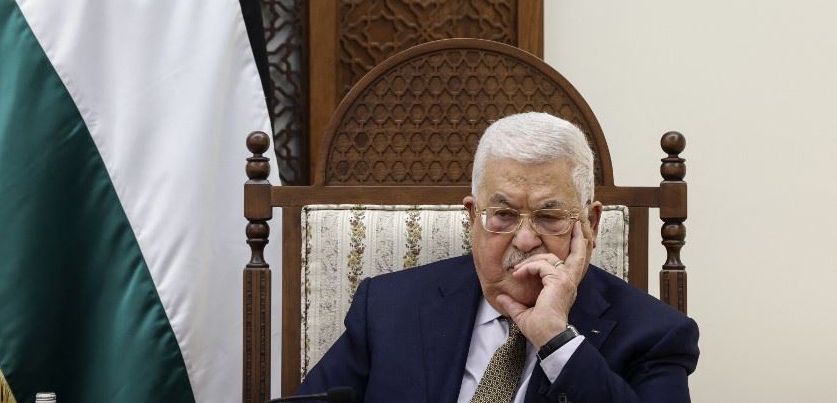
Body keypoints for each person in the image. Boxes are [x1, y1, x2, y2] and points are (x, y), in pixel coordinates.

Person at [297, 112, 699, 402]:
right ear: (473, 216)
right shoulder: (387, 307)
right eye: (503, 215)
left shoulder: (654, 335)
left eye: (549, 217)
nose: (524, 239)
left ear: (589, 223)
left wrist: (555, 339)